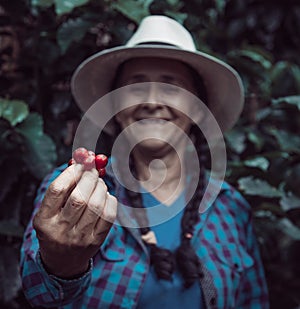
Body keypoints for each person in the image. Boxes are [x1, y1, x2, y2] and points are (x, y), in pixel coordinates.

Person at [20, 15, 269, 308]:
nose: (151, 101)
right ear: (115, 107)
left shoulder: (231, 207)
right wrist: (60, 264)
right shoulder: (75, 187)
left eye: (171, 87)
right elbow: (39, 294)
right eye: (135, 87)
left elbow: (254, 301)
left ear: (198, 110)